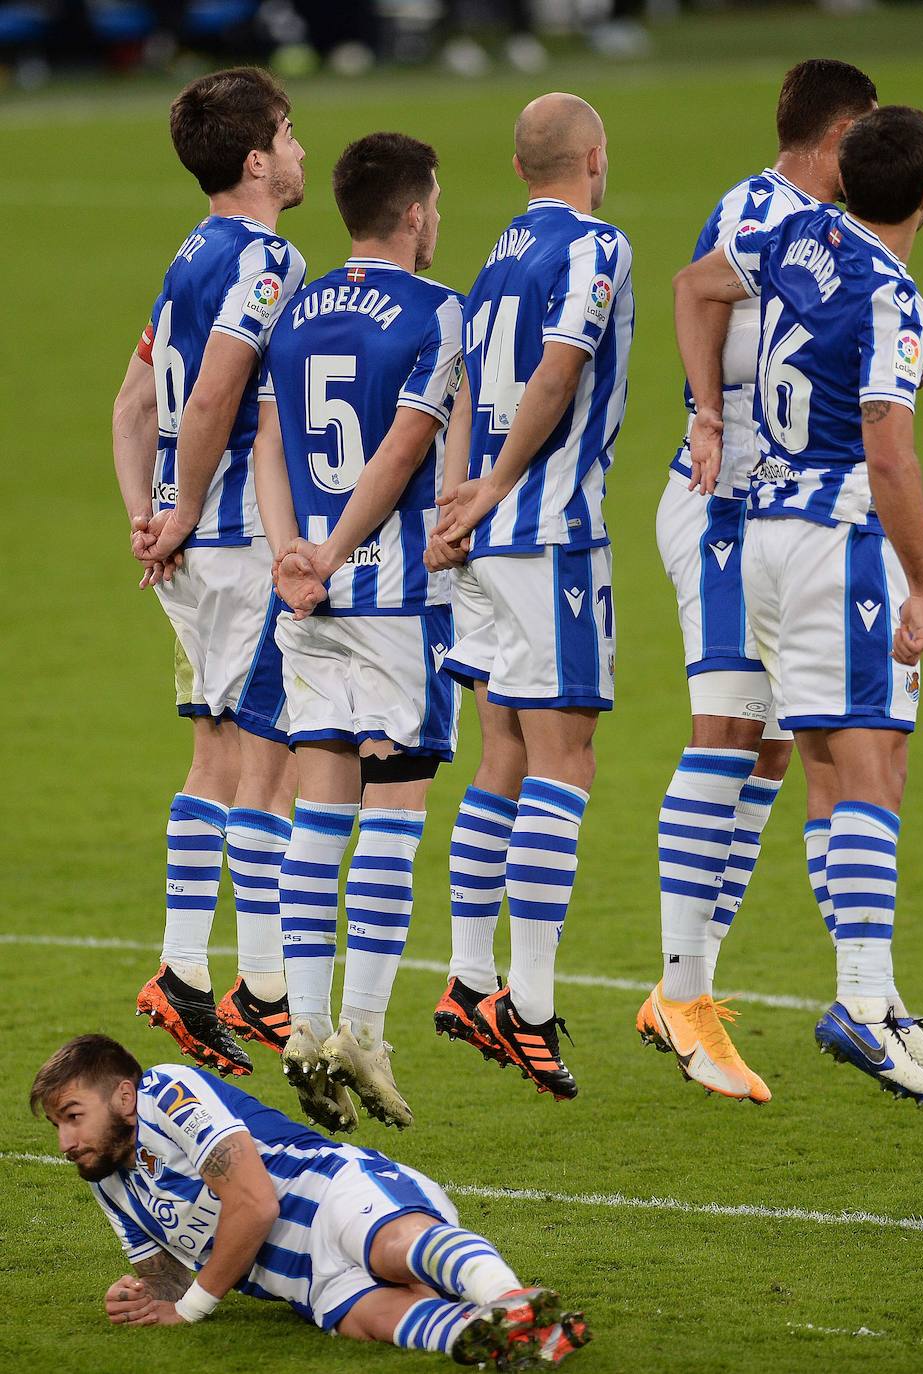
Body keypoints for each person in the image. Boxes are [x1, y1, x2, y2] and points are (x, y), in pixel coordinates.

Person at [672, 105, 923, 1105]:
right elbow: (889, 448)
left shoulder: (802, 231)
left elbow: (701, 284)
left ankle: (877, 1000)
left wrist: (709, 412)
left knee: (833, 763)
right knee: (872, 759)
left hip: (761, 535)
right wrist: (921, 581)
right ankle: (860, 999)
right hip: (838, 544)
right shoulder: (895, 291)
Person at [643, 59, 878, 1104]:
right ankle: (683, 996)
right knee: (728, 733)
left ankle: (686, 987)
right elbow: (694, 294)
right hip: (725, 505)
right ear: (840, 133)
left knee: (773, 750)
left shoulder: (816, 225)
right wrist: (702, 412)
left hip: (770, 512)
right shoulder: (761, 207)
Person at [252, 133, 463, 1133]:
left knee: (319, 804)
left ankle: (299, 1026)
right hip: (389, 595)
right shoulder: (436, 311)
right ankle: (362, 1032)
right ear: (416, 211)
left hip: (302, 597)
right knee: (397, 809)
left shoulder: (293, 312)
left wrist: (294, 551)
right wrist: (336, 551)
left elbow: (268, 442)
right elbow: (405, 447)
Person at [428, 93, 634, 1102]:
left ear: (520, 168)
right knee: (566, 759)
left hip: (479, 543)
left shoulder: (497, 256)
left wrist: (453, 504)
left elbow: (464, 384)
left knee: (500, 751)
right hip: (549, 535)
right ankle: (533, 1003)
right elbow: (561, 371)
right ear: (594, 157)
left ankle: (469, 979)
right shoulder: (597, 245)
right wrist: (500, 486)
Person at [113, 67, 307, 1076]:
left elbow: (131, 402)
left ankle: (190, 972)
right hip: (232, 544)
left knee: (215, 758)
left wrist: (146, 518)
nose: (302, 150)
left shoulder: (189, 255)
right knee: (262, 764)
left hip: (191, 555)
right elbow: (219, 388)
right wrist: (185, 509)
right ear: (256, 160)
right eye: (289, 132)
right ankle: (259, 984)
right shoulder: (268, 257)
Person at [30, 1034, 590, 1366]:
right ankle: (513, 1340)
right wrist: (141, 1295)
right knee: (373, 1319)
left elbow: (253, 1204)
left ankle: (508, 1296)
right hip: (306, 1282)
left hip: (333, 1194)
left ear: (123, 1095)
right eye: (58, 1125)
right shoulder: (108, 1181)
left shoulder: (166, 1092)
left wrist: (189, 1311)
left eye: (74, 1117)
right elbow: (170, 1275)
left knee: (394, 1247)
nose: (66, 1142)